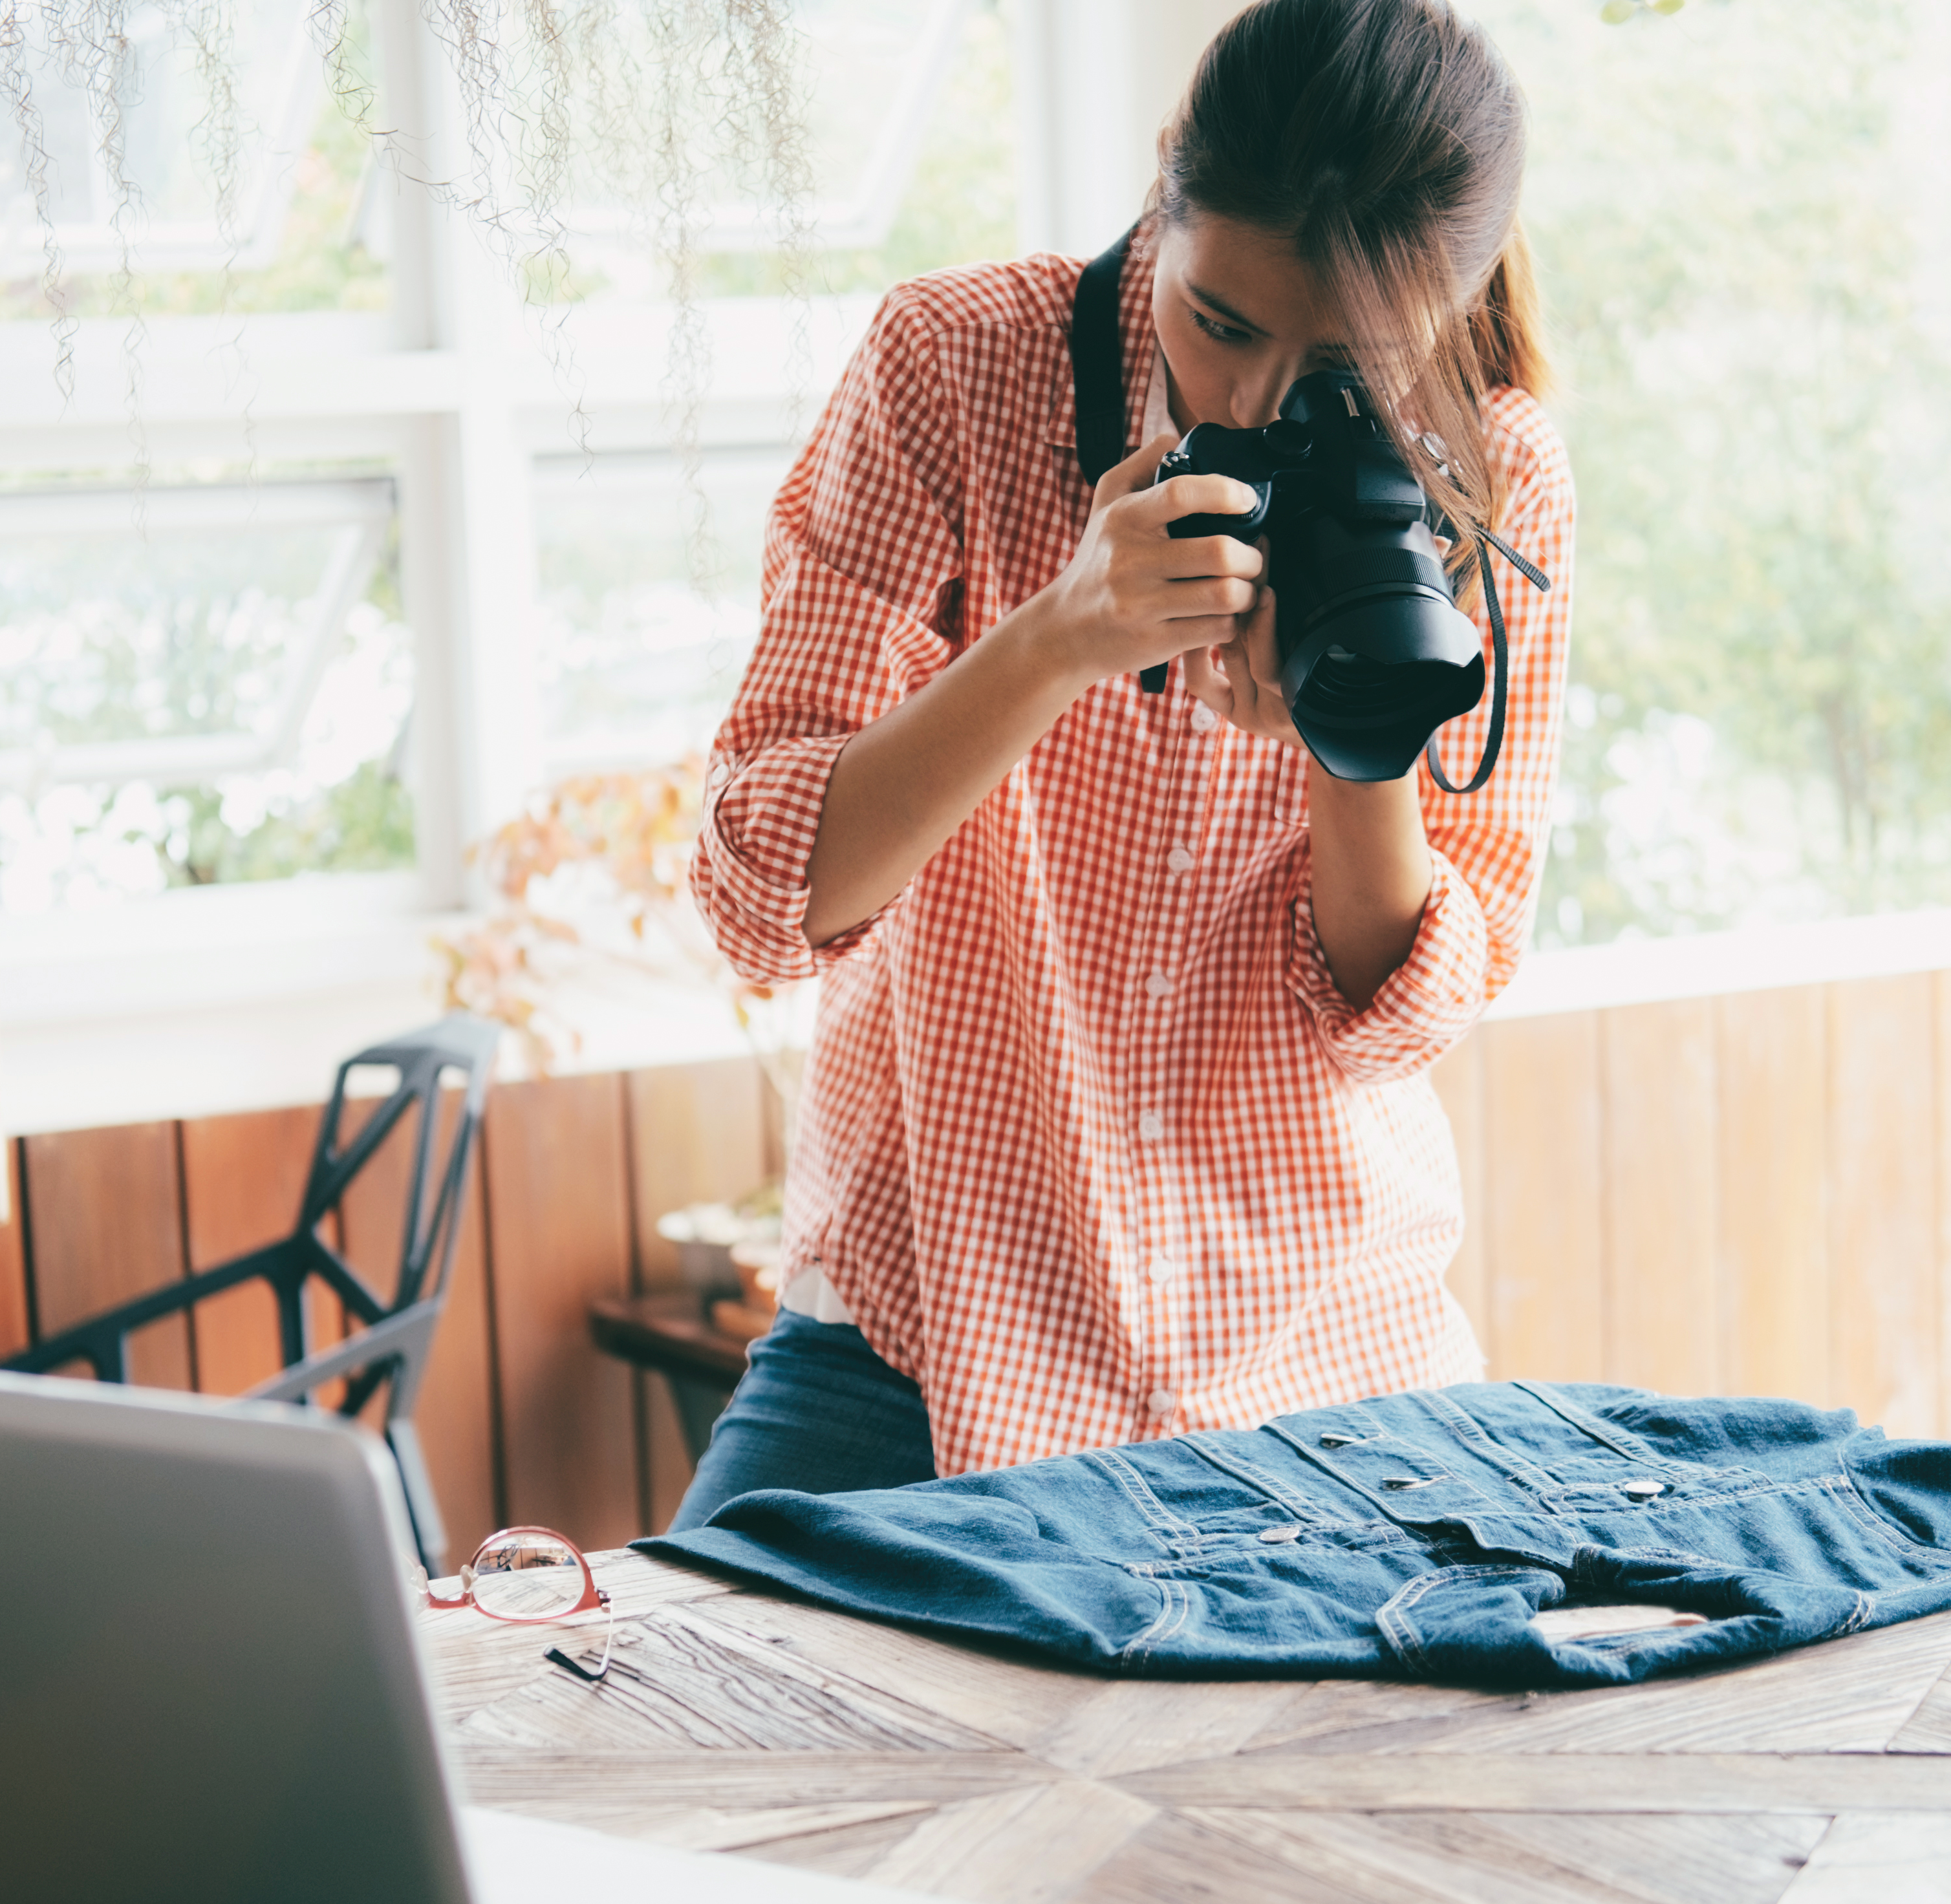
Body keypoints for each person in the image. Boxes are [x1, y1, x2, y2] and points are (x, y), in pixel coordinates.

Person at [673, 0, 1573, 1524]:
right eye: (1220, 321)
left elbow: (1398, 1016)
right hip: (924, 1339)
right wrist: (1054, 639)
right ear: (1169, 184)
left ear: (1447, 306)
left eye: (1340, 362)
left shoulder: (1493, 482)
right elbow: (762, 895)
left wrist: (1348, 738)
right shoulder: (957, 369)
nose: (1250, 400)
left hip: (1324, 1357)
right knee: (702, 1733)